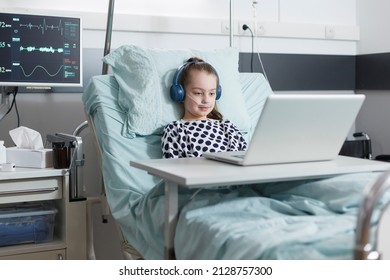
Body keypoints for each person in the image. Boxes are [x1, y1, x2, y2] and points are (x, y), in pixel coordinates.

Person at [161, 57, 247, 159]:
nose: (206, 100)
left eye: (211, 93)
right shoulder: (175, 130)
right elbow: (171, 170)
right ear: (180, 94)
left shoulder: (227, 126)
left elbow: (247, 158)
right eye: (198, 93)